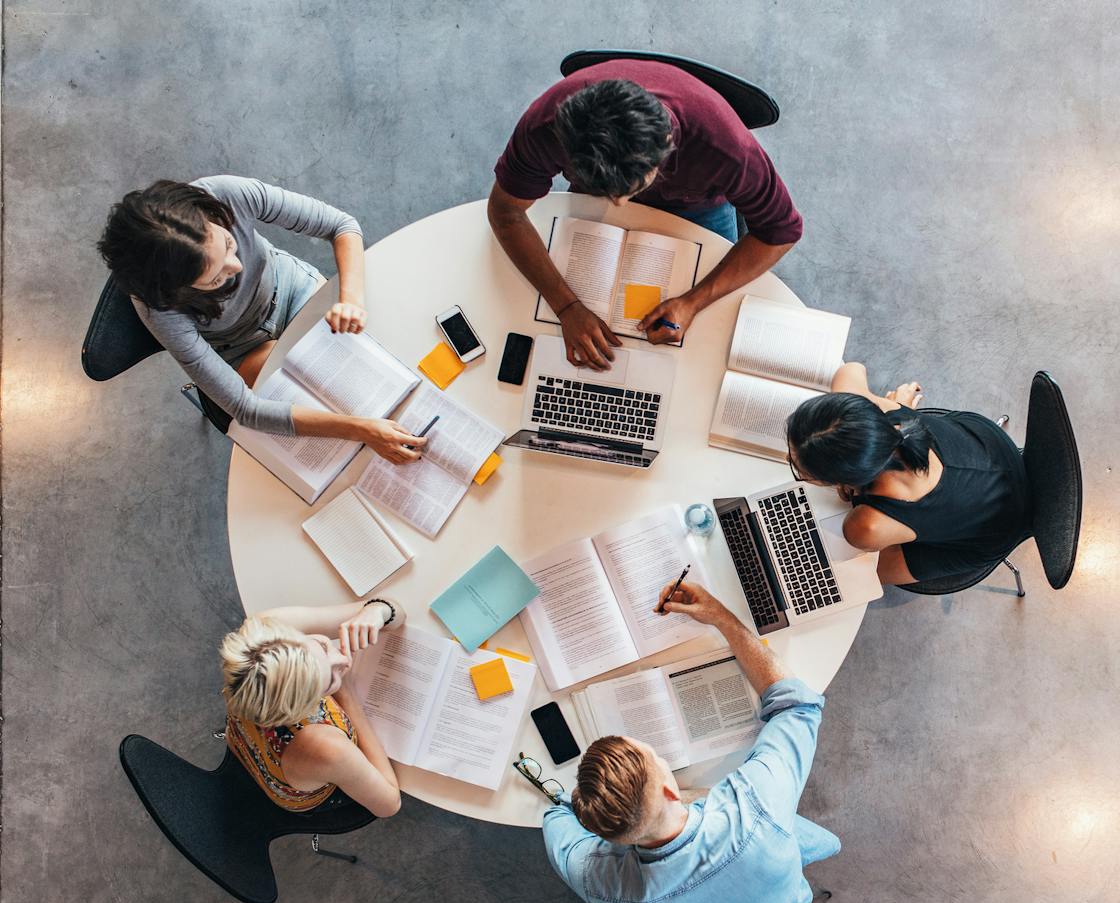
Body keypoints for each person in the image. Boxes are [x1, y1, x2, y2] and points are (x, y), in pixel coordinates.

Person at [542, 581, 839, 903]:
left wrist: (577, 803)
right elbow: (798, 707)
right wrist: (722, 618)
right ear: (670, 789)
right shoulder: (754, 808)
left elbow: (555, 819)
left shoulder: (595, 877)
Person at [488, 61, 804, 368]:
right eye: (609, 193)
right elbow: (506, 211)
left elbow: (781, 233)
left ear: (667, 145)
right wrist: (566, 306)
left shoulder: (726, 150)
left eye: (630, 189)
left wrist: (693, 301)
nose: (619, 206)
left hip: (700, 205)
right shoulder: (544, 126)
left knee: (706, 337)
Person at [97, 175, 425, 461]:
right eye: (215, 278)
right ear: (177, 292)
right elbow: (246, 409)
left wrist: (351, 300)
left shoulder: (225, 193)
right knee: (334, 409)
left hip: (292, 289)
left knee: (376, 358)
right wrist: (361, 431)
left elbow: (341, 225)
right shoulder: (160, 310)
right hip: (239, 347)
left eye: (229, 243)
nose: (237, 267)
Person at [785, 363, 1030, 585]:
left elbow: (865, 535)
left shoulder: (864, 526)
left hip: (997, 528)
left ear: (840, 480)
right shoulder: (882, 412)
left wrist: (855, 492)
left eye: (799, 469)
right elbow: (850, 370)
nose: (787, 459)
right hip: (991, 449)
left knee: (857, 577)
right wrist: (890, 404)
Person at [220, 597, 405, 816]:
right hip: (299, 789)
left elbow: (395, 611)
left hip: (244, 739)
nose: (343, 661)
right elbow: (390, 804)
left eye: (322, 645)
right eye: (329, 682)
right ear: (305, 708)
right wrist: (346, 694)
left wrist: (377, 612)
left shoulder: (267, 630)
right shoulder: (326, 747)